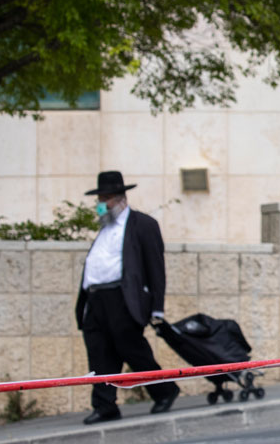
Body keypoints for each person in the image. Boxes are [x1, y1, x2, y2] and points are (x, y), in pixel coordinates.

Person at [74, 171, 180, 425]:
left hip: (122, 299)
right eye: (100, 198)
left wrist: (157, 309)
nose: (102, 203)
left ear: (120, 198)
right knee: (99, 353)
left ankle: (165, 390)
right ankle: (105, 404)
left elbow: (156, 269)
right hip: (95, 299)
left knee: (132, 349)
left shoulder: (142, 225)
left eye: (106, 198)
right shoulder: (104, 227)